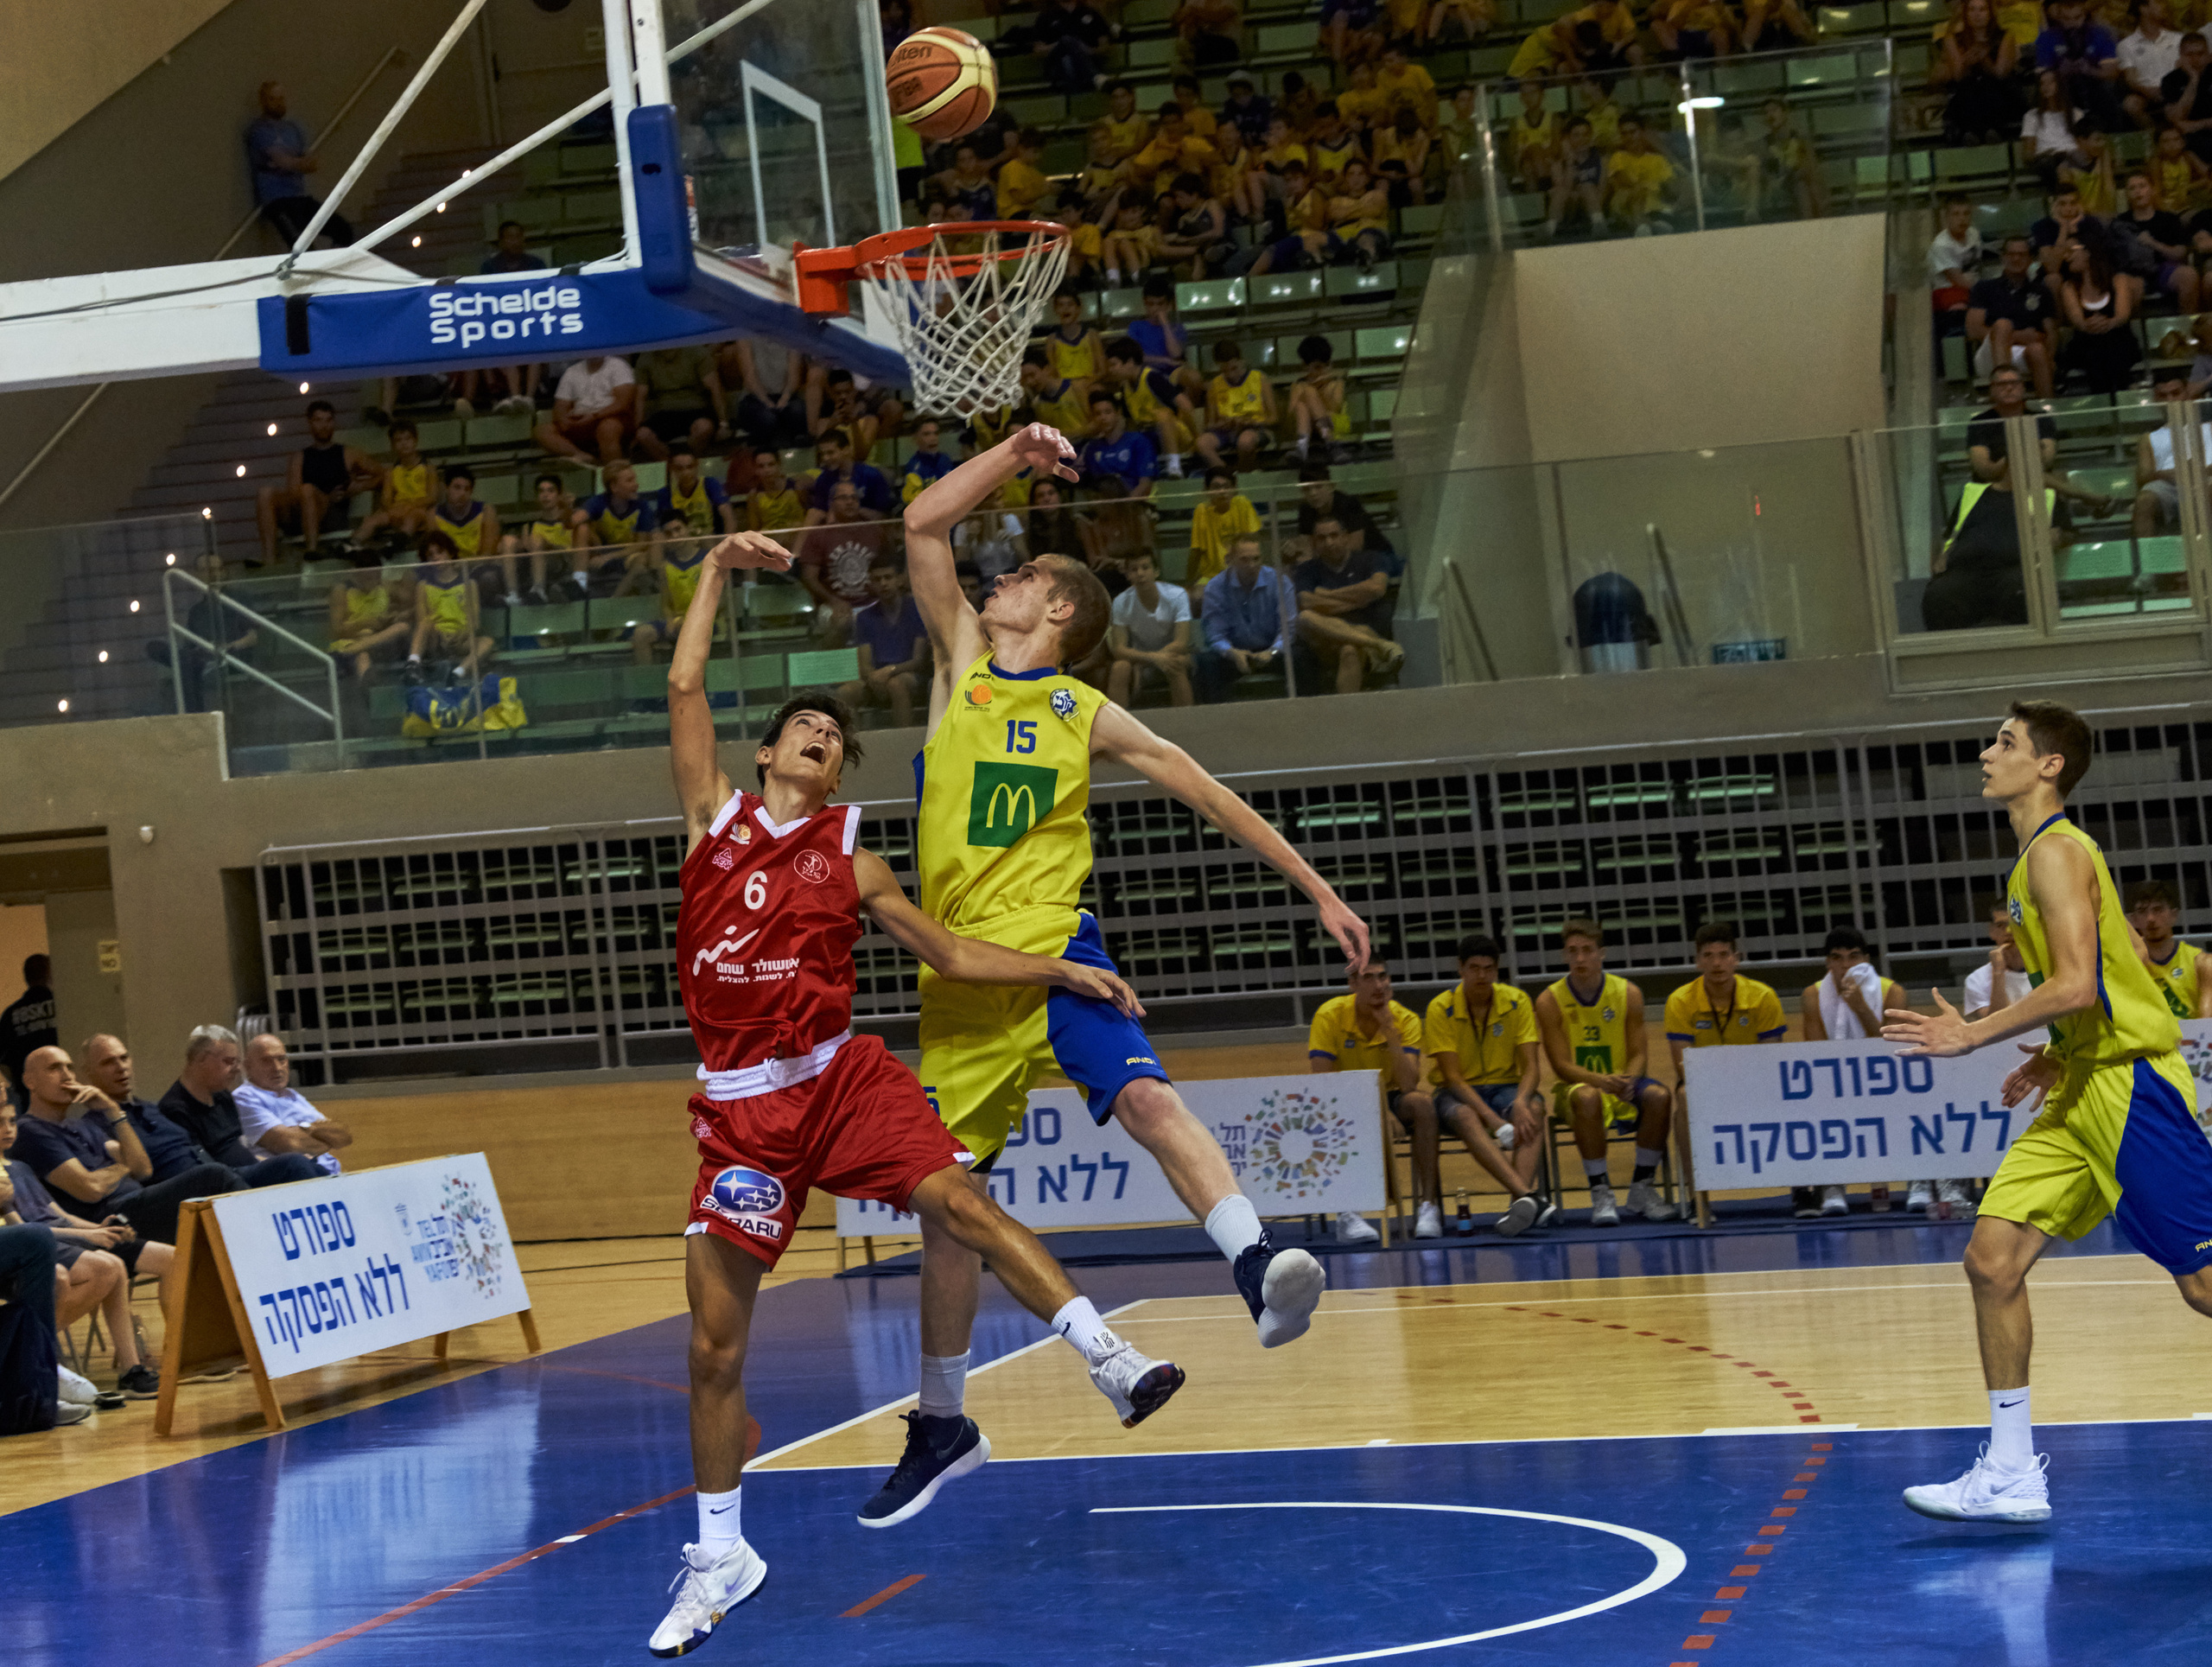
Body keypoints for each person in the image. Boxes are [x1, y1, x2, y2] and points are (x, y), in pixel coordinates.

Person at [645, 541, 1181, 1653]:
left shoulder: (853, 857)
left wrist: (1059, 969)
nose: (822, 737)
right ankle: (718, 1555)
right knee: (711, 1353)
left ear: (839, 776)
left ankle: (1108, 1358)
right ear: (767, 751)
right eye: (807, 727)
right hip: (743, 1111)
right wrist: (710, 569)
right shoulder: (713, 820)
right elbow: (684, 684)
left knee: (960, 1203)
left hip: (839, 1078)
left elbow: (951, 954)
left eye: (837, 739)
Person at [878, 423, 1374, 1524]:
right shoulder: (959, 664)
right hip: (964, 981)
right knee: (949, 1211)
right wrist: (1012, 451)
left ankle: (1258, 1268)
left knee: (1146, 1094)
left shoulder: (1082, 710)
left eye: (1021, 575)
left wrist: (1319, 889)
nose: (996, 577)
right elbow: (921, 522)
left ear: (1058, 612)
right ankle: (943, 1420)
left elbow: (1208, 791)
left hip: (1061, 955)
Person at [1883, 702, 2212, 1524]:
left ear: (2050, 764)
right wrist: (2060, 1050)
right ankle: (2011, 1470)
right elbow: (2124, 960)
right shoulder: (2037, 860)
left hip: (2133, 1088)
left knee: (2207, 1286)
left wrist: (1973, 1036)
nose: (1987, 751)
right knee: (1992, 1261)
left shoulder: (2057, 854)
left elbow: (2078, 983)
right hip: (2083, 1085)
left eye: (2005, 741)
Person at [1, 1101, 172, 1399]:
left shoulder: (21, 1168)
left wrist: (99, 1229)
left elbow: (58, 1214)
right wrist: (88, 1236)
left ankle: (131, 1369)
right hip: (40, 1246)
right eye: (0, 1123)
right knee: (103, 1268)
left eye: (12, 1122)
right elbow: (25, 1231)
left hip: (59, 1237)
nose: (8, 1130)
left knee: (114, 1266)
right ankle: (26, 1354)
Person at [9, 1044, 240, 1246]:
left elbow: (143, 1169)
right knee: (214, 1177)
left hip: (137, 1204)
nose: (67, 1076)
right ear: (30, 1081)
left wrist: (113, 1111)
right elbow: (90, 1189)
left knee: (238, 1177)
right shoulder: (30, 1130)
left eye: (69, 1067)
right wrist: (122, 1168)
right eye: (54, 1068)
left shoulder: (82, 1126)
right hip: (109, 1218)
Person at [1533, 917, 1675, 1227]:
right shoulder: (1549, 1000)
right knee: (1587, 1098)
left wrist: (1630, 1079)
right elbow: (1560, 1065)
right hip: (1574, 1087)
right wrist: (1600, 1081)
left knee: (1659, 1096)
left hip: (1622, 1081)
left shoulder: (1629, 993)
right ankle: (1600, 1191)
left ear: (1602, 953)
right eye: (1573, 951)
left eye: (1587, 950)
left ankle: (1642, 1188)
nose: (1580, 958)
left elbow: (1639, 1053)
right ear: (1564, 956)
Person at [1422, 935, 1561, 1235]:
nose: (1481, 975)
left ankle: (1519, 1206)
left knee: (1536, 1108)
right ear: (1460, 969)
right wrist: (1496, 1121)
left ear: (1497, 970)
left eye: (1488, 969)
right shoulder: (1440, 1008)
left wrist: (1522, 1102)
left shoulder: (1517, 1001)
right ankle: (1527, 1197)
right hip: (1455, 1092)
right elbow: (1453, 1078)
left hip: (1506, 1087)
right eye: (1474, 968)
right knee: (1466, 1115)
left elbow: (1532, 1067)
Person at [1664, 919, 1789, 1206]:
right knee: (1682, 1098)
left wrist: (1739, 1081)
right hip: (1704, 1088)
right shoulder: (1680, 1001)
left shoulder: (1762, 997)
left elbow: (1771, 1059)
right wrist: (1722, 1082)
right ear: (1698, 962)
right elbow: (1683, 1065)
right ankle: (1697, 1197)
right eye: (1709, 956)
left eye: (1723, 955)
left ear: (1736, 959)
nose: (1717, 963)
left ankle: (1804, 1191)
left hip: (1758, 1085)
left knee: (1793, 1095)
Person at [1306, 958, 1425, 1244]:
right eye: (1369, 978)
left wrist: (1391, 1034)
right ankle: (1347, 1213)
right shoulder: (1330, 1015)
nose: (1379, 985)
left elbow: (1409, 1084)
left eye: (1383, 977)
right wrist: (1378, 1110)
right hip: (1341, 1097)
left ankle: (1427, 1207)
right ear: (1353, 984)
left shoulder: (1405, 1018)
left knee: (1423, 1105)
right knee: (1328, 1117)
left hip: (1393, 1094)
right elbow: (1324, 1080)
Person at [1796, 926, 1908, 1218]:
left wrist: (1860, 1008)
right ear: (1827, 962)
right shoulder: (1812, 995)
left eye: (1853, 957)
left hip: (1886, 1080)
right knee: (1817, 1107)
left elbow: (1891, 1048)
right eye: (1837, 958)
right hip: (1834, 1082)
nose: (1845, 965)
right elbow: (1817, 1053)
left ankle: (1914, 1181)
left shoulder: (1892, 991)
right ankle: (1833, 1184)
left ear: (1867, 959)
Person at [255, 399, 381, 567]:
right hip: (302, 509)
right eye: (319, 421)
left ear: (334, 422)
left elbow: (382, 474)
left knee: (307, 490)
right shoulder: (300, 457)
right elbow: (293, 493)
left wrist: (357, 487)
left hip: (331, 513)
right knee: (266, 493)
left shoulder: (348, 454)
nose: (324, 426)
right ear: (310, 423)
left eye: (328, 420)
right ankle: (269, 560)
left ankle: (311, 550)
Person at [1294, 516, 1402, 693]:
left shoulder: (1371, 559)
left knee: (1349, 649)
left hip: (1362, 638)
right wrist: (1359, 600)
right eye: (1322, 538)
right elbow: (1306, 602)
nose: (1329, 542)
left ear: (1345, 537)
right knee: (1305, 617)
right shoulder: (1307, 569)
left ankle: (1347, 717)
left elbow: (1376, 589)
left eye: (1334, 535)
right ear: (1313, 541)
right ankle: (1381, 645)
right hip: (1326, 642)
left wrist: (1327, 594)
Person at [245, 81, 352, 249]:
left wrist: (289, 163)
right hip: (277, 201)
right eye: (273, 99)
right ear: (264, 101)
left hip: (300, 197)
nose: (278, 103)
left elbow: (311, 163)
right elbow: (285, 162)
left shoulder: (293, 128)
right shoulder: (260, 130)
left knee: (344, 230)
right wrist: (293, 163)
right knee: (303, 248)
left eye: (281, 98)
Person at [232, 1034, 349, 1175]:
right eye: (266, 1061)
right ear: (248, 1067)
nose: (277, 1068)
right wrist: (323, 1136)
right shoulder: (244, 1097)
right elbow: (289, 1145)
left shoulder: (292, 1095)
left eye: (281, 1059)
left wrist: (303, 1130)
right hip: (298, 1178)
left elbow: (343, 1135)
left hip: (333, 1174)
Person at [839, 553, 931, 728]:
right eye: (877, 579)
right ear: (871, 583)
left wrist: (889, 671)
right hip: (878, 678)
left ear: (900, 580)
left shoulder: (919, 610)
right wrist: (873, 677)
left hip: (909, 676)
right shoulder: (864, 617)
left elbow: (918, 661)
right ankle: (857, 748)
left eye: (888, 577)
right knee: (845, 693)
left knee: (895, 685)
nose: (883, 584)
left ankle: (903, 745)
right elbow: (864, 664)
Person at [1197, 536, 1287, 701]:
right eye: (1244, 560)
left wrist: (1272, 651)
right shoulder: (1215, 587)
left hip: (1271, 649)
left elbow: (1288, 629)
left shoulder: (1279, 581)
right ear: (1230, 560)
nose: (1252, 565)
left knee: (1301, 657)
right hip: (1233, 652)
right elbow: (1214, 635)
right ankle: (1217, 720)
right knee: (1206, 662)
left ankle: (1307, 716)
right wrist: (1231, 652)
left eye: (1256, 559)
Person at [1966, 238, 2057, 397]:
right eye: (2011, 254)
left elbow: (2051, 333)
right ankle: (2004, 392)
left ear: (2030, 259)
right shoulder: (1984, 288)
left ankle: (2048, 410)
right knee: (2003, 325)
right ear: (2003, 257)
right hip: (1991, 352)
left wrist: (2050, 357)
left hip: (2025, 353)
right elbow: (1973, 330)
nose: (2016, 259)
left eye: (2021, 254)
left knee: (2038, 349)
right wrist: (2019, 336)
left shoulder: (2041, 292)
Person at [1105, 550, 1194, 708]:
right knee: (1120, 667)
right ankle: (1117, 727)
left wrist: (1158, 658)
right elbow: (1119, 650)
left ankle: (1186, 722)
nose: (1140, 574)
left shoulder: (1177, 595)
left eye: (1145, 568)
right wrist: (1152, 659)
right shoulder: (1121, 602)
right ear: (1128, 575)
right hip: (1140, 658)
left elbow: (1181, 643)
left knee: (1176, 662)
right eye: (1134, 570)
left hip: (1171, 653)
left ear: (1156, 572)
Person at [404, 529, 495, 684]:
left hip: (460, 639)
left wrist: (461, 634)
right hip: (436, 640)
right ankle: (412, 665)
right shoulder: (423, 586)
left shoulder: (469, 584)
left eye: (439, 552)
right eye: (431, 555)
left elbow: (475, 621)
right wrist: (440, 634)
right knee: (425, 624)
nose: (436, 558)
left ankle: (457, 673)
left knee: (487, 642)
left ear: (451, 553)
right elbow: (422, 619)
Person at [2058, 237, 2143, 393]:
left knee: (2113, 352)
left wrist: (2109, 323)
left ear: (2087, 252)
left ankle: (2121, 398)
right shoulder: (2069, 287)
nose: (2066, 257)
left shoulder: (2119, 280)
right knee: (2095, 355)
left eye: (2070, 251)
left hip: (2117, 338)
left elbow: (2122, 315)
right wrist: (2089, 325)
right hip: (2086, 342)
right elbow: (2077, 319)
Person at [1936, 0, 2024, 143]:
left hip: (1998, 90)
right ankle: (1971, 132)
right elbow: (1958, 76)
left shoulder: (2005, 36)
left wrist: (1985, 60)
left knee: (1989, 85)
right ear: (1966, 13)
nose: (1977, 15)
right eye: (1972, 10)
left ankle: (1987, 130)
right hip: (1967, 90)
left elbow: (2001, 73)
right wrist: (1966, 62)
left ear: (1990, 13)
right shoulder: (1953, 39)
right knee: (1968, 87)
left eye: (1982, 10)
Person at [2125, 878, 2212, 1019]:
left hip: (2189, 1039)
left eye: (2158, 910)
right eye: (2142, 911)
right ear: (2133, 920)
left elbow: (2206, 1024)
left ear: (2174, 915)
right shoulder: (2128, 964)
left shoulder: (2202, 964)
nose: (2150, 918)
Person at [633, 347, 732, 463]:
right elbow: (640, 397)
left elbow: (715, 388)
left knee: (704, 428)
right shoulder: (645, 358)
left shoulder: (696, 351)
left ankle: (691, 464)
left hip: (697, 408)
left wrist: (723, 423)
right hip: (663, 412)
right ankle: (671, 467)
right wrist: (636, 430)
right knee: (643, 435)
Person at [535, 356, 639, 464]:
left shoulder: (618, 365)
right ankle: (582, 456)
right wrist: (564, 421)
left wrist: (595, 416)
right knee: (542, 431)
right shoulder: (572, 371)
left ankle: (615, 471)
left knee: (607, 428)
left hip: (611, 417)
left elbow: (622, 403)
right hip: (580, 418)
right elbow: (561, 405)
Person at [351, 419, 435, 549]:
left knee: (412, 518)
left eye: (407, 439)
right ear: (393, 445)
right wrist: (395, 510)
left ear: (415, 440)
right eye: (399, 440)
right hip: (396, 509)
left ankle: (397, 543)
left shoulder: (428, 468)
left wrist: (409, 507)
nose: (404, 444)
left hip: (419, 510)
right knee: (373, 519)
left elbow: (432, 497)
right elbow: (386, 500)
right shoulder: (390, 471)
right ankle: (353, 544)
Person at [1198, 343, 1276, 474]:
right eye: (1225, 371)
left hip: (1255, 428)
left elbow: (1274, 418)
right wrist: (1221, 424)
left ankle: (1244, 475)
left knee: (1245, 442)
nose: (1230, 374)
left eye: (1234, 368)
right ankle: (1226, 474)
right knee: (1202, 443)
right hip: (1227, 432)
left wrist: (1252, 422)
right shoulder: (1215, 385)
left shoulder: (1259, 379)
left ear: (1241, 361)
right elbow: (1210, 424)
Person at [1079, 390, 1160, 498]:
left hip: (1136, 505)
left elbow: (1145, 484)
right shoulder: (1092, 448)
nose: (1103, 418)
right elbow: (1095, 487)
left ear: (1118, 413)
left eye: (1108, 412)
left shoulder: (1138, 441)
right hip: (1107, 507)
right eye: (1098, 414)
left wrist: (1125, 506)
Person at [2, 956, 56, 1114]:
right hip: (66, 1089)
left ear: (26, 977)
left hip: (29, 1094)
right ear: (50, 974)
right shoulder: (64, 1005)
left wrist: (21, 1082)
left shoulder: (11, 1014)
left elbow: (3, 1061)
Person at [2165, 31, 2212, 163]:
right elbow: (2177, 119)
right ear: (2181, 56)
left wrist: (2199, 124)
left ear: (2208, 56)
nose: (2196, 59)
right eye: (2190, 55)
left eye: (2200, 54)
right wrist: (2193, 80)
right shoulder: (2170, 80)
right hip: (2192, 137)